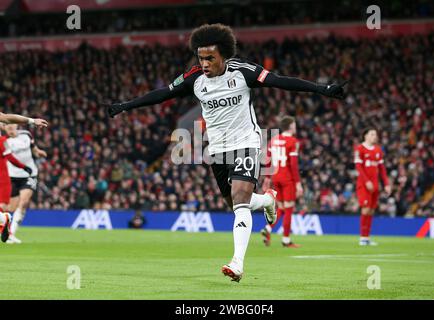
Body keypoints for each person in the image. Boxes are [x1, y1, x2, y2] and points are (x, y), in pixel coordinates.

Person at [105, 24, 347, 282]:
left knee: (240, 200)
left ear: (224, 55)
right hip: (217, 149)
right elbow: (163, 93)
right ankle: (266, 201)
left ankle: (237, 264)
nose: (205, 63)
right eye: (201, 58)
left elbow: (280, 81)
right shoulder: (193, 78)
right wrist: (126, 106)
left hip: (246, 142)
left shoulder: (243, 71)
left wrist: (322, 89)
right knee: (237, 205)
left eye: (210, 58)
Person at [0, 113, 47, 243]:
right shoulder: (4, 140)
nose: (9, 127)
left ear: (16, 125)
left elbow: (33, 148)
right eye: (6, 125)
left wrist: (38, 152)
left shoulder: (26, 135)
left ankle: (11, 234)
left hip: (29, 174)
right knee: (10, 208)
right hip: (11, 176)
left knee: (24, 202)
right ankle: (5, 223)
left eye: (11, 124)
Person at [261, 116, 303, 248]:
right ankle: (286, 240)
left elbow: (268, 160)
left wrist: (267, 178)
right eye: (294, 124)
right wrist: (298, 183)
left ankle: (268, 229)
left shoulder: (273, 140)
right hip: (287, 177)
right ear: (290, 126)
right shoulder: (293, 141)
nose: (295, 127)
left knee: (282, 208)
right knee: (289, 208)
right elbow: (293, 165)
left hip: (275, 177)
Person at [354, 128, 391, 246]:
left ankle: (367, 237)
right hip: (364, 185)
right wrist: (366, 182)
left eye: (375, 134)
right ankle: (362, 238)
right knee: (365, 209)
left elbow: (382, 169)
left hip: (375, 185)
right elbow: (358, 167)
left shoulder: (378, 150)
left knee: (371, 210)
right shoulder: (359, 149)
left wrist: (386, 184)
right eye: (372, 134)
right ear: (365, 136)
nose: (375, 136)